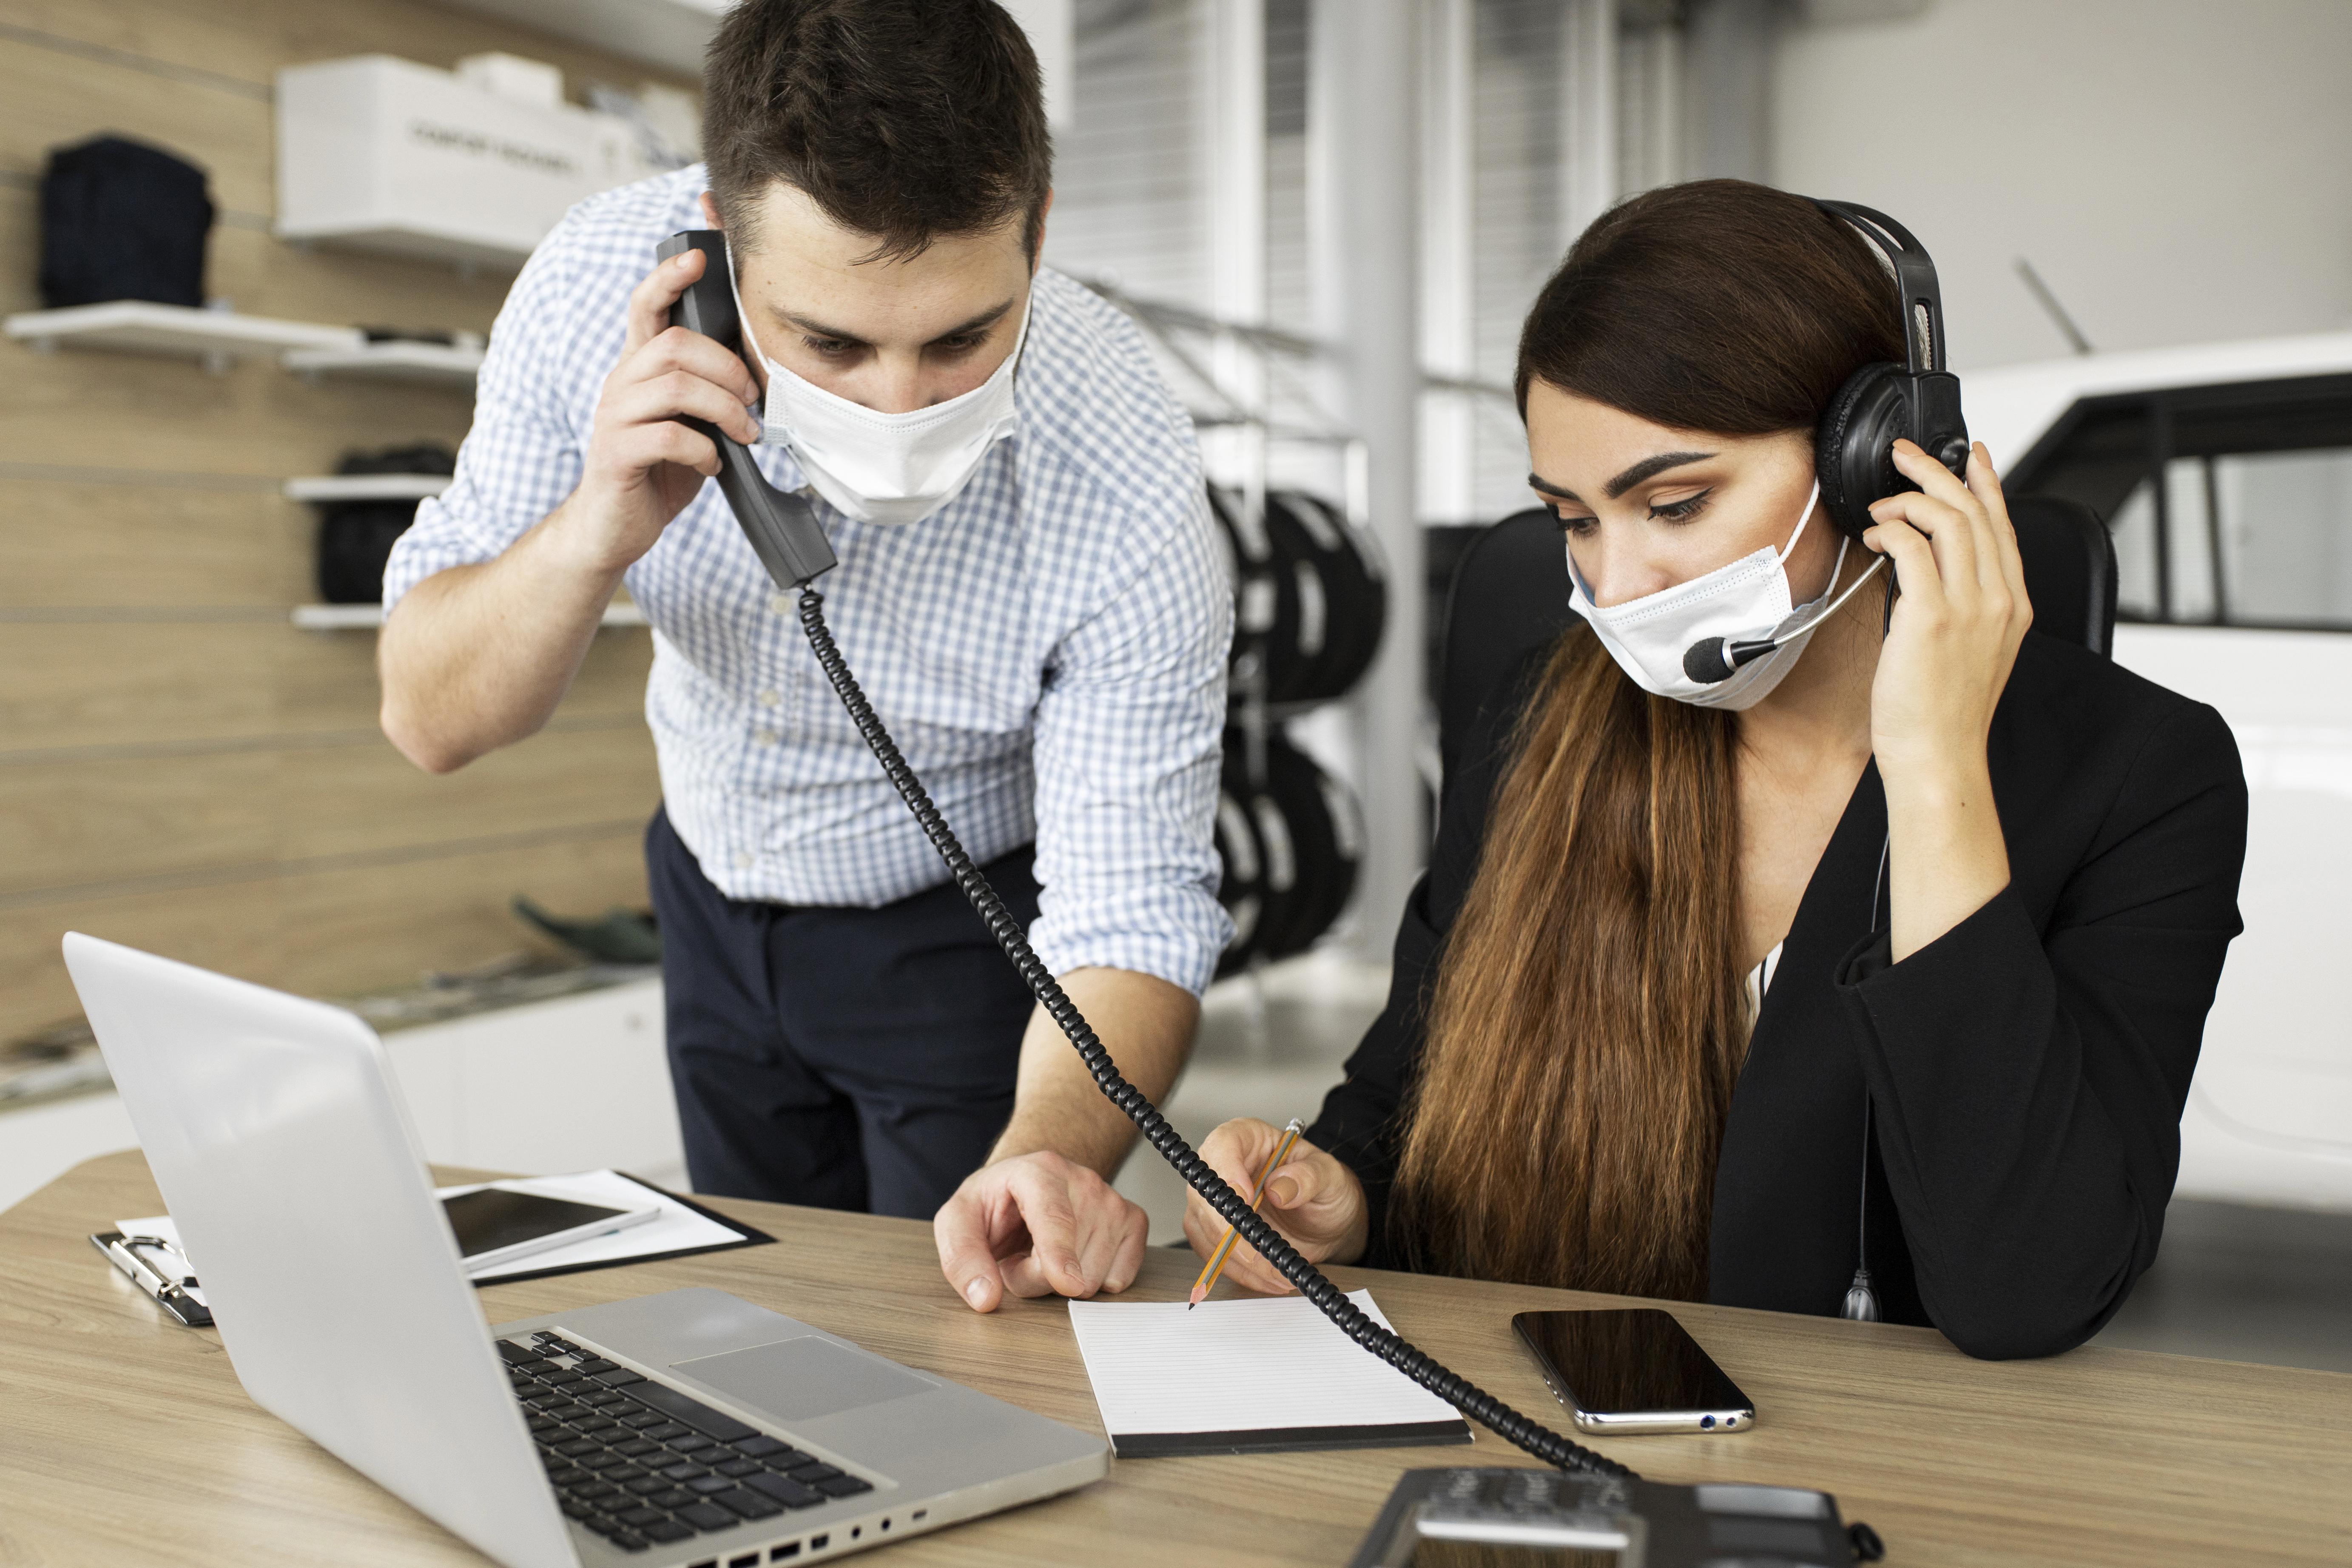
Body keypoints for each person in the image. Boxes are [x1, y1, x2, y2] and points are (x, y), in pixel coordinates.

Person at [1180, 181, 2248, 1360]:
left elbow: (2028, 1287)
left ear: (1874, 465)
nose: (1614, 584)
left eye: (1673, 504)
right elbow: (1403, 1089)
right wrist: (1335, 1185)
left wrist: (1936, 762)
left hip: (1881, 1465)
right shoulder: (1544, 716)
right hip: (1522, 1410)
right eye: (1574, 521)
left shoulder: (2141, 773)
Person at [377, 0, 1230, 1313]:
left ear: (1038, 231)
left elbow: (1133, 906)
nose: (899, 407)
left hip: (970, 935)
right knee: (763, 1326)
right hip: (709, 893)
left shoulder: (1125, 461)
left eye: (959, 338)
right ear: (717, 246)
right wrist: (593, 531)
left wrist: (1047, 1161)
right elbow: (431, 722)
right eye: (831, 342)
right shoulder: (592, 286)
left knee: (967, 1342)